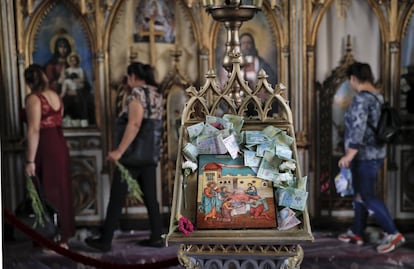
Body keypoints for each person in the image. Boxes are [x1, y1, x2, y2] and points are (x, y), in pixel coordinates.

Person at [85, 62, 164, 251]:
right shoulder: (157, 94)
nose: (128, 81)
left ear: (134, 77)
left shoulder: (137, 94)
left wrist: (119, 151)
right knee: (151, 198)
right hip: (149, 155)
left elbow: (135, 124)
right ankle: (156, 236)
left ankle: (105, 241)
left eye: (129, 77)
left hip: (131, 156)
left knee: (117, 198)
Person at [337, 62, 405, 254]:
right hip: (376, 154)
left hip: (364, 156)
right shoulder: (378, 96)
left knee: (366, 195)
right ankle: (357, 232)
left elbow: (357, 130)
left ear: (353, 78)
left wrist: (349, 155)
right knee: (361, 193)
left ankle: (393, 233)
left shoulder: (360, 99)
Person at [23, 64, 75, 247]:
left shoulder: (34, 99)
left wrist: (30, 160)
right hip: (59, 144)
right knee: (60, 190)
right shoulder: (55, 95)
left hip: (45, 147)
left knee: (46, 191)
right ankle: (63, 238)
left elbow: (34, 129)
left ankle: (50, 240)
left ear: (29, 81)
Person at [60, 52, 89, 122]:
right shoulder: (68, 70)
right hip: (69, 86)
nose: (73, 62)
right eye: (71, 60)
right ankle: (62, 94)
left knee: (67, 82)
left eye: (74, 60)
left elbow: (82, 80)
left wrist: (75, 79)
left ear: (77, 61)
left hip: (77, 85)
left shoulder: (80, 70)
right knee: (66, 82)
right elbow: (62, 79)